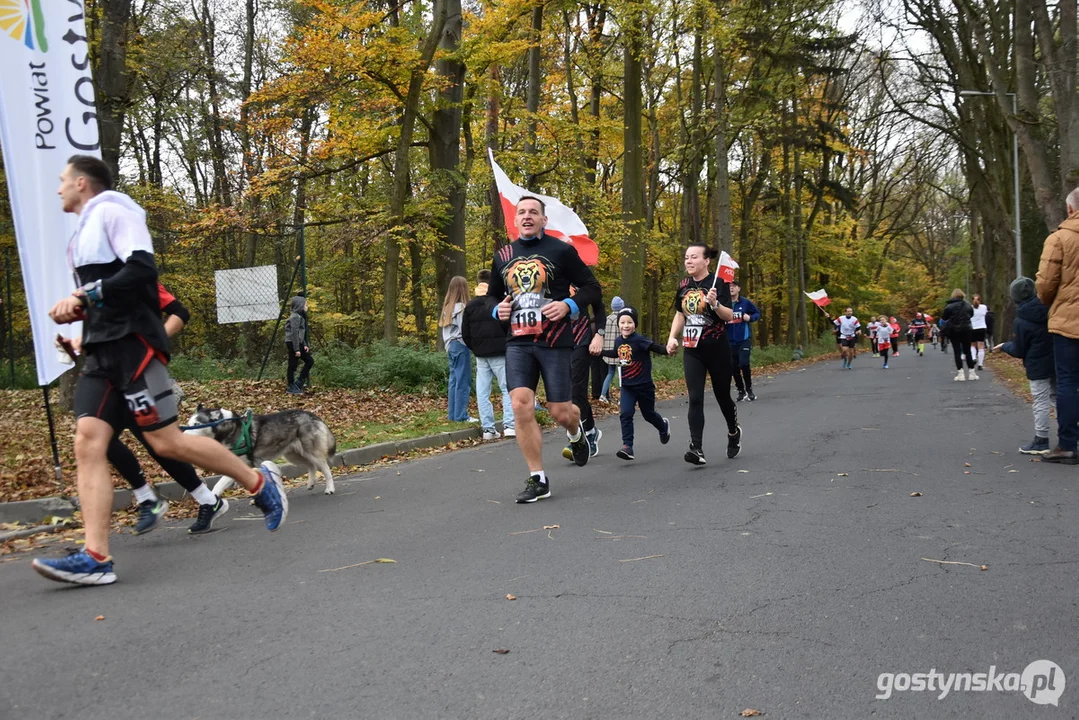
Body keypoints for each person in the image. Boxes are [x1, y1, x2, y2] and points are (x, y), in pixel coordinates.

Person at [33, 155, 287, 586]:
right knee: (88, 441)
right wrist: (80, 334)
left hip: (135, 353)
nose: (57, 189)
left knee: (166, 443)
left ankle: (258, 482)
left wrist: (84, 296)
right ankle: (96, 557)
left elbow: (143, 270)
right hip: (101, 356)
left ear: (81, 183)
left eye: (61, 181)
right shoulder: (83, 234)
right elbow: (110, 301)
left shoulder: (116, 209)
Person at [487, 196, 601, 503]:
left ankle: (577, 433)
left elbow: (592, 287)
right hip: (518, 342)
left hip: (554, 342)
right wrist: (495, 310)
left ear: (543, 219)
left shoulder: (562, 251)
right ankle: (538, 478)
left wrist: (568, 304)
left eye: (533, 212)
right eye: (521, 212)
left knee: (560, 412)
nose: (527, 216)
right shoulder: (503, 255)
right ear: (515, 219)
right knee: (520, 405)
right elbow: (491, 297)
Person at [97, 282, 228, 535]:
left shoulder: (137, 276)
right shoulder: (91, 285)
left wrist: (154, 341)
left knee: (161, 444)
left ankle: (239, 485)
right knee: (101, 438)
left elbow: (180, 312)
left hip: (143, 377)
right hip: (110, 378)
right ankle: (153, 498)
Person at [665, 243, 740, 466]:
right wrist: (672, 337)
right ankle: (696, 447)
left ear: (706, 261)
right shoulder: (684, 285)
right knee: (695, 398)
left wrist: (716, 304)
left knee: (722, 397)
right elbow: (680, 313)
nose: (688, 261)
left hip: (717, 349)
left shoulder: (719, 283)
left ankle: (733, 431)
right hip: (692, 350)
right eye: (686, 257)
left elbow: (729, 316)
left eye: (694, 257)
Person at [1035, 186, 1079, 464]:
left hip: (1069, 322)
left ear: (1071, 209)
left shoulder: (1060, 238)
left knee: (1068, 382)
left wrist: (1052, 301)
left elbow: (1045, 284)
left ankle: (1067, 444)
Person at [601, 307, 671, 460]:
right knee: (625, 413)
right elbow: (615, 353)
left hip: (644, 385)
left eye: (629, 322)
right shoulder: (618, 341)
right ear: (618, 324)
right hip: (627, 386)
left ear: (635, 324)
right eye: (622, 322)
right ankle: (627, 446)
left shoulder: (640, 340)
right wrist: (600, 351)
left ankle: (663, 426)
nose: (626, 325)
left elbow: (655, 348)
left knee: (648, 414)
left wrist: (668, 349)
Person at [996, 277, 1054, 455]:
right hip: (1058, 361)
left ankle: (1041, 440)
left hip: (1037, 365)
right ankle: (1070, 433)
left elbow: (1019, 349)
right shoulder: (1051, 310)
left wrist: (1005, 346)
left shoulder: (1021, 321)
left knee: (1041, 401)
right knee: (1060, 398)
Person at [462, 270, 514, 440]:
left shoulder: (470, 305)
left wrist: (475, 347)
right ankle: (509, 425)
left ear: (478, 282)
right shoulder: (500, 303)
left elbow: (465, 333)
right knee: (507, 388)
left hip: (480, 354)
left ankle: (488, 429)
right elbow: (509, 326)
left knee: (482, 391)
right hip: (500, 351)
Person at [560, 286, 605, 460]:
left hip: (581, 339)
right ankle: (591, 431)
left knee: (577, 390)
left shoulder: (583, 280)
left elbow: (599, 308)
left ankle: (582, 437)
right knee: (564, 394)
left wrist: (599, 335)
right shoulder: (550, 277)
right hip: (558, 343)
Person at [440, 275, 475, 423]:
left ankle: (453, 415)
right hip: (460, 345)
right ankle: (461, 415)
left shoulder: (447, 308)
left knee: (454, 380)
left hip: (450, 345)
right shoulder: (462, 308)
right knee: (463, 381)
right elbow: (464, 330)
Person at [727, 280, 761, 401]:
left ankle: (749, 389)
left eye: (734, 286)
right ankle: (741, 391)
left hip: (744, 340)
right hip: (729, 342)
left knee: (744, 363)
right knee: (733, 368)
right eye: (729, 287)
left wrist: (750, 317)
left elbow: (757, 313)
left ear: (738, 288)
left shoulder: (745, 303)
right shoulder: (724, 304)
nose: (731, 288)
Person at [941, 289, 977, 381]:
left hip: (954, 330)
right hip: (967, 329)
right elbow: (971, 315)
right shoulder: (968, 305)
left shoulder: (949, 306)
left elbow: (944, 317)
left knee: (957, 351)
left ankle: (960, 374)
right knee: (967, 351)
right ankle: (972, 372)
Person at [598, 296, 625, 403]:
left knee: (610, 373)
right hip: (620, 350)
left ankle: (603, 395)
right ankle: (622, 397)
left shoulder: (607, 319)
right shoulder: (622, 319)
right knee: (622, 375)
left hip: (608, 350)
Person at [284, 295, 313, 394]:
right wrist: (296, 349)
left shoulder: (300, 316)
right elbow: (294, 333)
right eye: (305, 304)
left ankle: (299, 382)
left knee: (309, 361)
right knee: (293, 364)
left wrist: (304, 344)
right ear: (300, 305)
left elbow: (301, 333)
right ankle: (291, 385)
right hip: (292, 343)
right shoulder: (295, 317)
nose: (307, 306)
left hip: (298, 342)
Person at [970, 294, 989, 370]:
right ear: (980, 300)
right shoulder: (984, 307)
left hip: (972, 328)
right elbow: (986, 314)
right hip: (982, 327)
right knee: (981, 345)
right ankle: (980, 364)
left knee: (972, 345)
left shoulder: (970, 308)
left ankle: (974, 357)